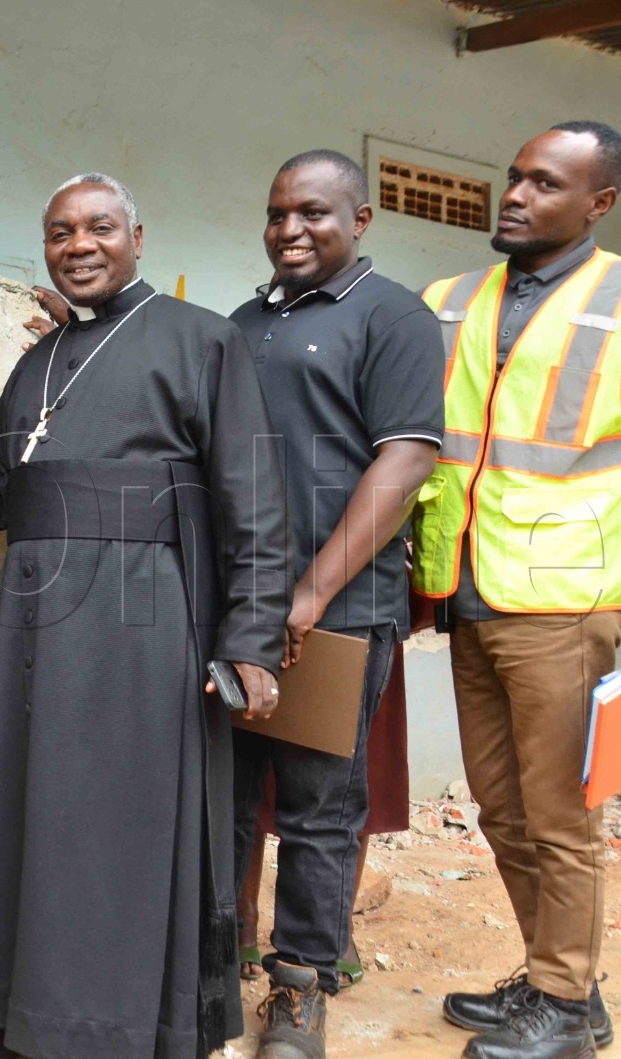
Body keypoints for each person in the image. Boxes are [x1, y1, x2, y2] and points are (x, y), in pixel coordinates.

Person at [0, 173, 291, 1059]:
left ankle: (116, 1032)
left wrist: (250, 639)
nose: (78, 245)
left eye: (98, 228)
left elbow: (255, 501)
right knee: (28, 816)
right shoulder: (35, 362)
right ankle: (24, 1023)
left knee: (113, 827)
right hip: (39, 619)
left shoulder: (201, 339)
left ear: (137, 236)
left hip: (140, 623)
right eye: (60, 232)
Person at [412, 121, 621, 1059]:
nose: (518, 194)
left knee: (564, 818)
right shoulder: (451, 299)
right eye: (514, 176)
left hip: (571, 603)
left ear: (599, 203)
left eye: (546, 182)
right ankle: (555, 981)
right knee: (502, 808)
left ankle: (568, 1009)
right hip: (466, 590)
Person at [228, 150, 443, 1059]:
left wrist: (312, 591)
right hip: (238, 605)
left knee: (317, 804)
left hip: (339, 609)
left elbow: (405, 461)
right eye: (278, 213)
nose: (290, 229)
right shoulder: (244, 322)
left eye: (313, 212)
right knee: (227, 794)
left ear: (360, 220)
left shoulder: (391, 316)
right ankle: (212, 964)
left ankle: (302, 987)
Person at [236, 639, 412, 985]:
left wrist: (312, 601)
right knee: (242, 751)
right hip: (254, 603)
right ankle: (241, 917)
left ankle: (335, 927)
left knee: (350, 749)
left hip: (355, 605)